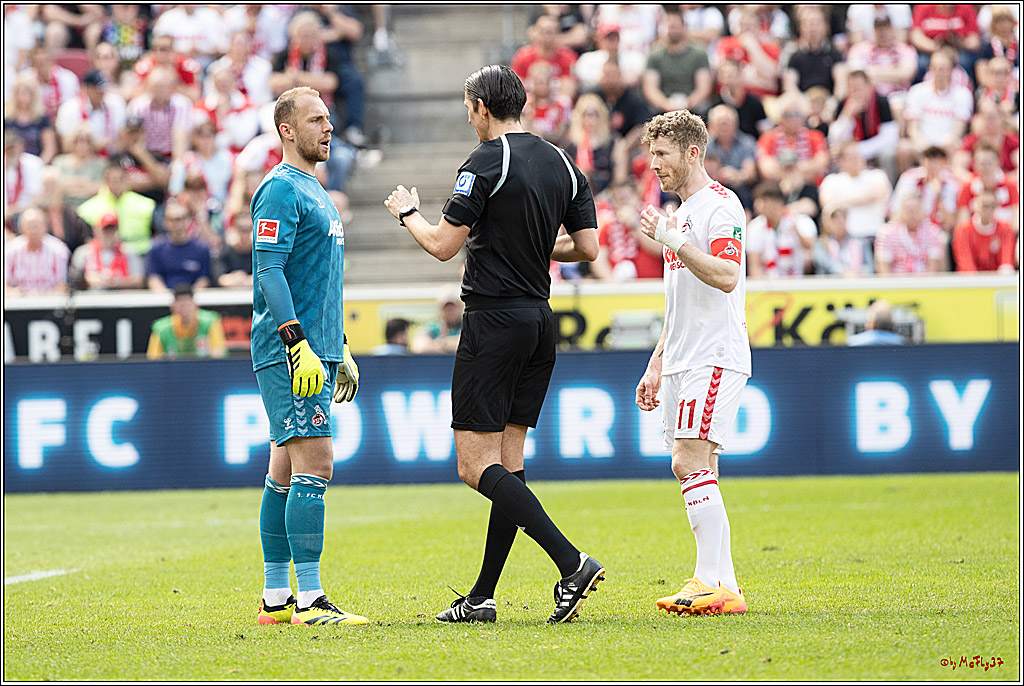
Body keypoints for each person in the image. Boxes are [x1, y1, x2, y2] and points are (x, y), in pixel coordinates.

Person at [383, 65, 603, 625]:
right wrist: (528, 245)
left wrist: (407, 213)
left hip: (494, 321)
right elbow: (588, 249)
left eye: (469, 109)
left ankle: (572, 561)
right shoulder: (563, 163)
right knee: (508, 463)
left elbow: (442, 244)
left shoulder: (485, 161)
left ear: (482, 107)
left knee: (473, 465)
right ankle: (482, 597)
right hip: (540, 322)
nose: (469, 119)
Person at [249, 86, 366, 627]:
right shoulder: (279, 189)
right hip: (290, 351)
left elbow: (320, 281)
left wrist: (339, 345)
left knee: (283, 470)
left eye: (328, 119)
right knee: (315, 466)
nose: (328, 128)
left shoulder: (316, 190)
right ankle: (312, 600)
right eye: (316, 120)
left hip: (318, 348)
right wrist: (297, 343)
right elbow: (268, 270)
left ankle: (277, 597)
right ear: (287, 130)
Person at [633, 109, 750, 616]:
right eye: (651, 153)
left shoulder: (720, 206)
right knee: (704, 468)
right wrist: (657, 362)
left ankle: (706, 580)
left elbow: (727, 275)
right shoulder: (679, 216)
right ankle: (726, 586)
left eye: (662, 154)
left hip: (714, 353)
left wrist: (674, 239)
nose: (654, 164)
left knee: (686, 461)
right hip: (683, 356)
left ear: (692, 153)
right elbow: (677, 302)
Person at [77, 162, 157, 256]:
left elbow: (155, 235)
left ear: (127, 180)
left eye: (120, 179)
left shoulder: (145, 205)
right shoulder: (88, 209)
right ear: (105, 181)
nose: (116, 184)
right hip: (104, 256)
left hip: (140, 254)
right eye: (112, 180)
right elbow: (86, 238)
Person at [641, 12, 712, 114]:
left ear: (684, 28)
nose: (672, 30)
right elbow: (651, 88)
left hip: (692, 106)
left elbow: (703, 88)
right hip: (664, 106)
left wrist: (687, 104)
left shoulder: (698, 53)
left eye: (675, 27)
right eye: (669, 27)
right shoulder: (655, 54)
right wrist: (666, 105)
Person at [746, 182, 818, 279]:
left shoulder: (799, 221)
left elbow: (810, 247)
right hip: (768, 283)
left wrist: (796, 231)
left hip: (796, 281)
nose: (758, 206)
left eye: (764, 201)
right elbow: (755, 265)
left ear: (777, 203)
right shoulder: (755, 227)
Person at [147, 283, 227, 358]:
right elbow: (153, 359)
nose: (184, 305)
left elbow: (219, 354)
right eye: (180, 301)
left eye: (187, 300)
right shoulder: (161, 329)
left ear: (195, 304)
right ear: (173, 306)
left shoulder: (211, 321)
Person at [145, 200, 211, 291]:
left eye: (180, 219)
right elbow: (153, 277)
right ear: (165, 222)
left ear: (188, 220)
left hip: (192, 295)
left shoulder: (202, 249)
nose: (176, 224)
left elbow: (204, 278)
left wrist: (189, 296)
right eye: (171, 220)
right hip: (164, 295)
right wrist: (165, 296)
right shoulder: (156, 249)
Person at [69, 211, 144, 290]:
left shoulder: (128, 252)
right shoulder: (83, 252)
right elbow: (75, 280)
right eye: (105, 229)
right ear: (96, 230)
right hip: (92, 295)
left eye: (112, 229)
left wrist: (114, 283)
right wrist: (87, 278)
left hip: (121, 295)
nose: (109, 234)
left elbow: (138, 280)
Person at [874, 194, 946, 274]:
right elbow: (884, 271)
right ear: (900, 212)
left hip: (924, 280)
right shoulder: (887, 233)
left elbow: (933, 270)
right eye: (908, 210)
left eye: (916, 210)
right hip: (896, 280)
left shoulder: (933, 232)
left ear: (923, 211)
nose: (912, 214)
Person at [951, 189, 1017, 273]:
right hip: (972, 279)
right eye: (984, 206)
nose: (988, 210)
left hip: (996, 278)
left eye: (992, 206)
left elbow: (1006, 262)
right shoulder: (963, 230)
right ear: (975, 206)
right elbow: (965, 263)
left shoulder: (1005, 229)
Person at [812, 207, 874, 277]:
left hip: (858, 280)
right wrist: (844, 272)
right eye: (835, 221)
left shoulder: (861, 242)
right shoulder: (821, 244)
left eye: (842, 219)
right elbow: (827, 265)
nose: (839, 224)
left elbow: (870, 267)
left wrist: (857, 272)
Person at [410, 284, 463, 354]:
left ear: (460, 307)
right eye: (446, 308)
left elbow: (469, 346)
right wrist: (449, 344)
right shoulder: (431, 327)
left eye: (453, 307)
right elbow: (418, 347)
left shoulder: (469, 327)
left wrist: (436, 344)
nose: (450, 311)